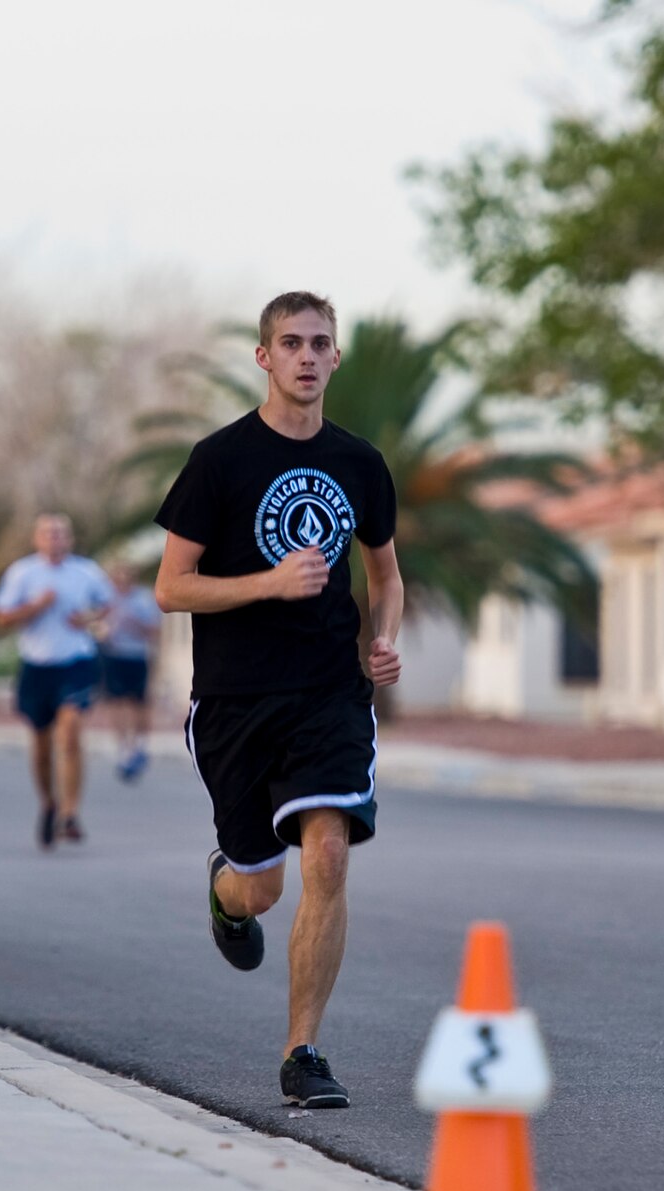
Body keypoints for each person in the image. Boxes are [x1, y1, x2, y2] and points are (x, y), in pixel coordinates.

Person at [153, 291, 403, 1109]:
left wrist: (384, 636)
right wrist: (269, 581)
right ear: (263, 357)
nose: (305, 355)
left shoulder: (360, 462)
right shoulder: (218, 461)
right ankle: (226, 891)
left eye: (319, 343)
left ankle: (303, 1052)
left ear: (336, 358)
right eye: (289, 342)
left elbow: (386, 575)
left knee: (327, 853)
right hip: (233, 701)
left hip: (329, 691)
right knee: (261, 886)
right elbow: (169, 587)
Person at [0, 514, 113, 849]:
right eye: (48, 533)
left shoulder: (87, 571)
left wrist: (86, 618)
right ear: (37, 539)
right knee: (42, 744)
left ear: (69, 539)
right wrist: (35, 606)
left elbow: (105, 607)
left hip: (76, 662)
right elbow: (0, 618)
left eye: (61, 533)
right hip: (37, 666)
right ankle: (48, 803)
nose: (55, 539)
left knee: (71, 732)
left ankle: (70, 814)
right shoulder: (22, 573)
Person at [97, 562, 162, 782]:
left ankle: (141, 744)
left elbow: (155, 631)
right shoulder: (107, 599)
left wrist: (135, 625)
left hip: (137, 655)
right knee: (117, 701)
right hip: (114, 654)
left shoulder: (143, 598)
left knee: (139, 702)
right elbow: (95, 624)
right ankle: (123, 746)